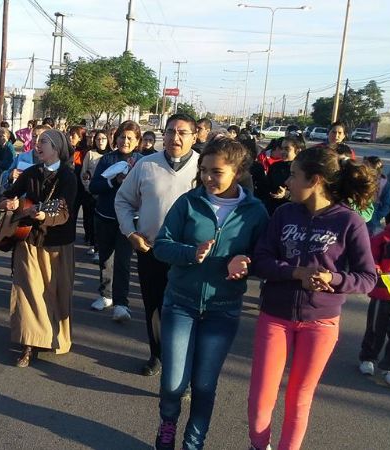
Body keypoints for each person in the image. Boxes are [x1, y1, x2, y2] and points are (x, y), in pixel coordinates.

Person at [247, 146, 378, 450]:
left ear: (315, 180)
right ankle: (258, 444)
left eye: (294, 176)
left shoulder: (349, 222)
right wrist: (296, 273)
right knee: (260, 397)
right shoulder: (283, 213)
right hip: (275, 316)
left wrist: (333, 279)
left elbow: (367, 278)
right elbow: (262, 259)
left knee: (299, 398)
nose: (288, 182)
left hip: (321, 322)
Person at [151, 137, 269, 450]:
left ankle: (194, 442)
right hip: (180, 304)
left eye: (216, 171)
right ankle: (167, 425)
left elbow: (267, 258)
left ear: (238, 171)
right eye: (204, 170)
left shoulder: (255, 212)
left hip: (224, 309)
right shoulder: (188, 202)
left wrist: (247, 262)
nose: (207, 177)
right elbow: (161, 246)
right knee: (174, 383)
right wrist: (190, 253)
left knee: (204, 386)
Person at [114, 114, 200, 377]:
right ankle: (157, 354)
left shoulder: (202, 167)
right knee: (154, 306)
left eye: (183, 132)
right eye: (170, 131)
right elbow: (123, 200)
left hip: (190, 256)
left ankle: (185, 364)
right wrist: (130, 233)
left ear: (194, 137)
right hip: (151, 250)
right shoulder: (146, 165)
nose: (175, 137)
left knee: (187, 311)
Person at [0, 129, 77, 367]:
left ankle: (53, 336)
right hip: (28, 240)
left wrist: (44, 215)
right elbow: (6, 196)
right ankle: (28, 344)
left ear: (57, 148)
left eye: (44, 142)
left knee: (55, 293)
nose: (37, 145)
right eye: (37, 141)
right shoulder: (31, 172)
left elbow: (63, 211)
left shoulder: (68, 177)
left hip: (57, 245)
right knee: (26, 292)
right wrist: (7, 203)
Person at [88, 121, 144, 322]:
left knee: (123, 261)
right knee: (105, 259)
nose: (125, 141)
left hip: (129, 220)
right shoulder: (107, 159)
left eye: (130, 138)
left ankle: (121, 304)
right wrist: (114, 181)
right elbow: (94, 187)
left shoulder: (143, 162)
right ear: (115, 138)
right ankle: (106, 295)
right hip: (105, 216)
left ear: (137, 141)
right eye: (122, 136)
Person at [358, 193, 390, 386]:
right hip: (382, 293)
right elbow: (370, 258)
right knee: (376, 328)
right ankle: (368, 358)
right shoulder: (383, 237)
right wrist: (376, 269)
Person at [80, 129, 109, 260]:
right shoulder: (90, 154)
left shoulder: (112, 155)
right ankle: (93, 243)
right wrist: (89, 189)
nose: (100, 141)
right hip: (90, 193)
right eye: (98, 139)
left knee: (102, 224)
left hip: (105, 194)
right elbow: (83, 173)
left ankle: (100, 248)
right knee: (90, 220)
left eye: (103, 138)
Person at [361, 156, 390, 235]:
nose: (363, 167)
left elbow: (387, 204)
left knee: (369, 236)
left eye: (366, 165)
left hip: (373, 216)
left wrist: (378, 216)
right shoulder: (360, 178)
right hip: (359, 209)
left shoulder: (384, 183)